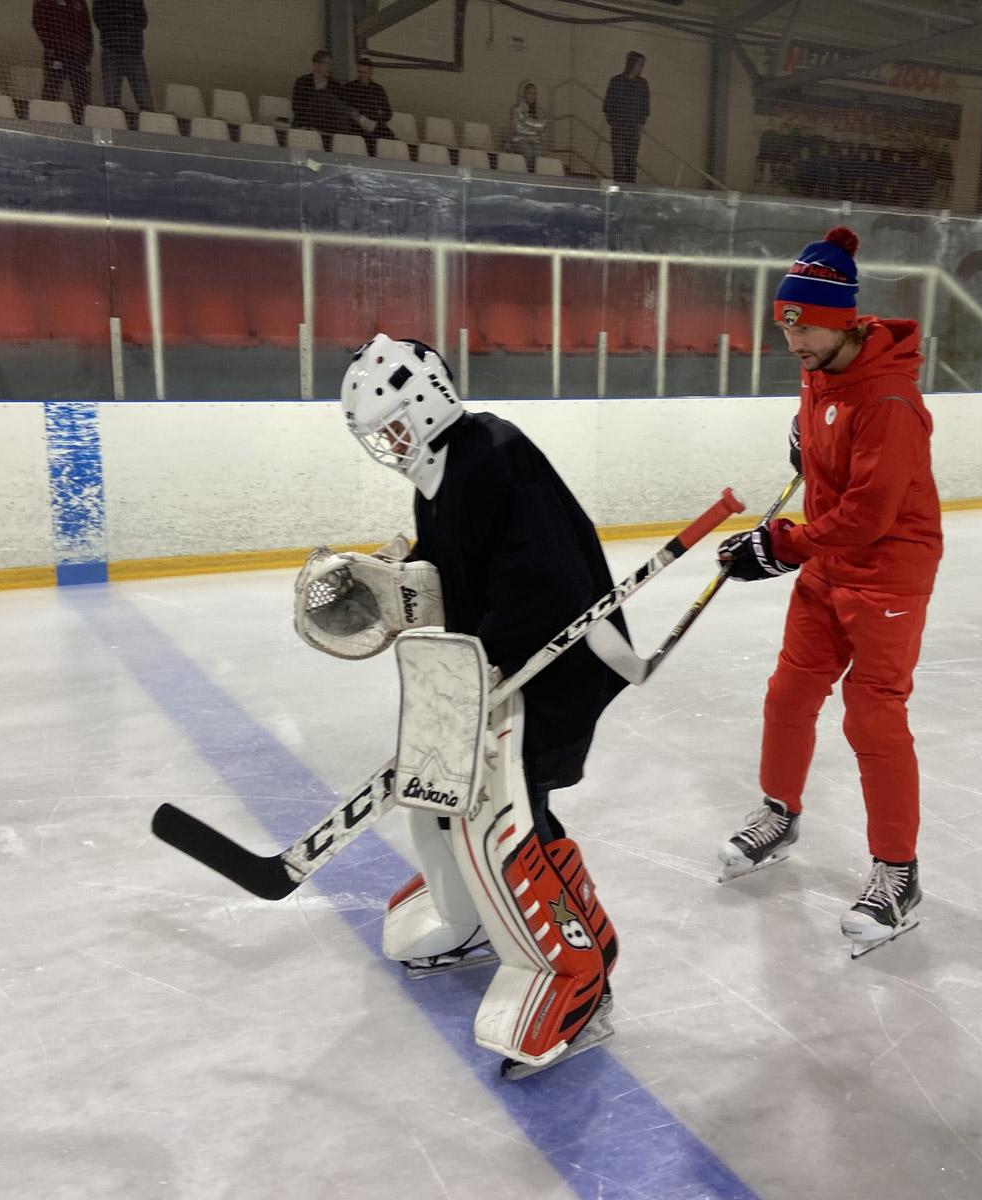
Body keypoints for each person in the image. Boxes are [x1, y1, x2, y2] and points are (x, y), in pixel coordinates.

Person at [328, 333, 627, 1077]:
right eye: (376, 435)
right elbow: (458, 573)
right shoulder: (441, 472)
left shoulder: (492, 454)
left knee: (505, 815)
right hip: (494, 667)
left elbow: (549, 586)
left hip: (554, 670)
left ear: (428, 401)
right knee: (443, 797)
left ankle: (578, 969)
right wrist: (391, 578)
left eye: (393, 425)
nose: (386, 445)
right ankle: (468, 918)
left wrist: (486, 661)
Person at [714, 226, 943, 959]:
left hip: (888, 570)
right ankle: (780, 814)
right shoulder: (822, 371)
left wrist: (781, 545)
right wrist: (806, 440)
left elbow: (872, 515)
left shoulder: (891, 401)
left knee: (872, 719)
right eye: (786, 325)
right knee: (789, 693)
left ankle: (897, 875)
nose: (793, 342)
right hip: (832, 564)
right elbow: (830, 462)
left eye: (804, 325)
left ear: (841, 319)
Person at [291, 50, 375, 144]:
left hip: (328, 122)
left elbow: (340, 105)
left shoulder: (335, 85)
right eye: (326, 64)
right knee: (324, 95)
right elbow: (297, 106)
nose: (329, 67)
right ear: (316, 65)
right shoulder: (302, 82)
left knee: (340, 112)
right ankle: (359, 119)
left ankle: (345, 142)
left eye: (331, 64)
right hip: (309, 119)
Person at [31, 0, 92, 124]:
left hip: (78, 54)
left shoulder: (80, 2)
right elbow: (38, 23)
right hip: (57, 53)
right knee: (52, 89)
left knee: (82, 92)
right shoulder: (44, 2)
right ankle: (45, 122)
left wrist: (88, 51)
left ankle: (82, 124)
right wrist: (50, 45)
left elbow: (87, 27)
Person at [92, 0, 150, 112]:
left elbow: (143, 20)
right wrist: (126, 18)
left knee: (145, 99)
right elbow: (100, 21)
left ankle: (150, 125)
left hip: (134, 52)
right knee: (112, 100)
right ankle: (113, 125)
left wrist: (119, 18)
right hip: (112, 51)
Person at [602, 50, 649, 184]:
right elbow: (608, 104)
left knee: (631, 162)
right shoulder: (616, 81)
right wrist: (613, 122)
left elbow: (645, 106)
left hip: (633, 129)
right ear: (631, 64)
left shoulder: (642, 83)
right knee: (618, 160)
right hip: (619, 128)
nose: (640, 67)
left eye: (642, 64)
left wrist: (640, 122)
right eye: (639, 64)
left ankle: (629, 190)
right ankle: (617, 189)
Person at [342, 58, 394, 150]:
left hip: (375, 125)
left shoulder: (378, 90)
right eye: (359, 72)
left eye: (364, 73)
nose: (361, 75)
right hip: (356, 126)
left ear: (370, 72)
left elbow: (388, 114)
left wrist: (377, 118)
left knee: (390, 137)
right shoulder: (349, 87)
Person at [509, 80, 547, 172]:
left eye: (534, 93)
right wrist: (534, 126)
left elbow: (542, 126)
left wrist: (524, 120)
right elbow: (518, 129)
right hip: (519, 139)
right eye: (529, 93)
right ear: (523, 94)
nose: (532, 96)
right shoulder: (516, 109)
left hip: (536, 141)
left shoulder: (540, 110)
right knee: (528, 153)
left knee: (539, 154)